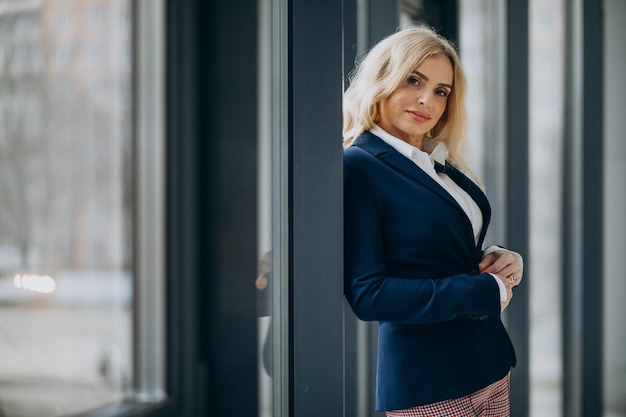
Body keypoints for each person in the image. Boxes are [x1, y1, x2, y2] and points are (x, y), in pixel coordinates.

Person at [343, 26, 523, 416]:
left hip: (488, 365)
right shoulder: (357, 166)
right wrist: (484, 291)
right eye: (413, 80)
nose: (428, 100)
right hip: (430, 384)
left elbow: (445, 243)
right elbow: (368, 293)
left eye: (442, 91)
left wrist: (498, 256)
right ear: (382, 80)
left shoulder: (435, 161)